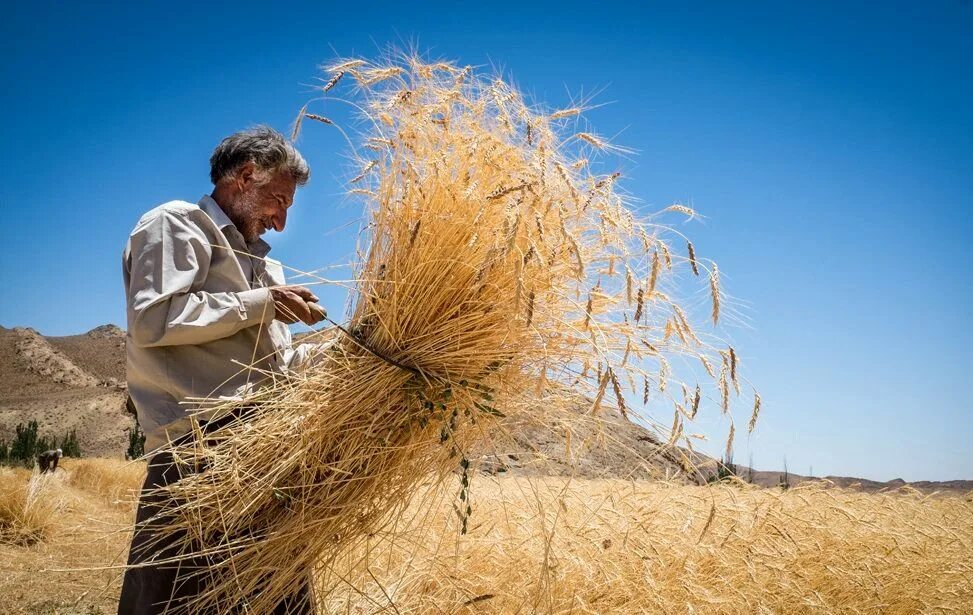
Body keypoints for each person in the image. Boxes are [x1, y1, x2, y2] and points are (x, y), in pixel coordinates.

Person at [118, 126, 327, 614]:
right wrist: (263, 303)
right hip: (198, 456)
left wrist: (347, 352)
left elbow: (278, 368)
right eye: (278, 200)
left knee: (276, 600)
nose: (280, 221)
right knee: (179, 601)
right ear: (245, 175)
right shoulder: (177, 225)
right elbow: (155, 319)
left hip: (264, 457)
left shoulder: (265, 269)